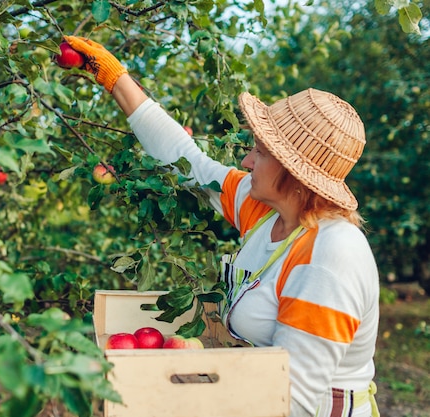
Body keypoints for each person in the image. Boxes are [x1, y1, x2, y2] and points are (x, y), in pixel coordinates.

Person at [62, 36, 381, 417]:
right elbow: (189, 162)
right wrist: (115, 79)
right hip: (249, 395)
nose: (246, 161)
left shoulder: (328, 259)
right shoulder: (268, 213)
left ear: (296, 176)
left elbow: (293, 401)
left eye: (260, 151)